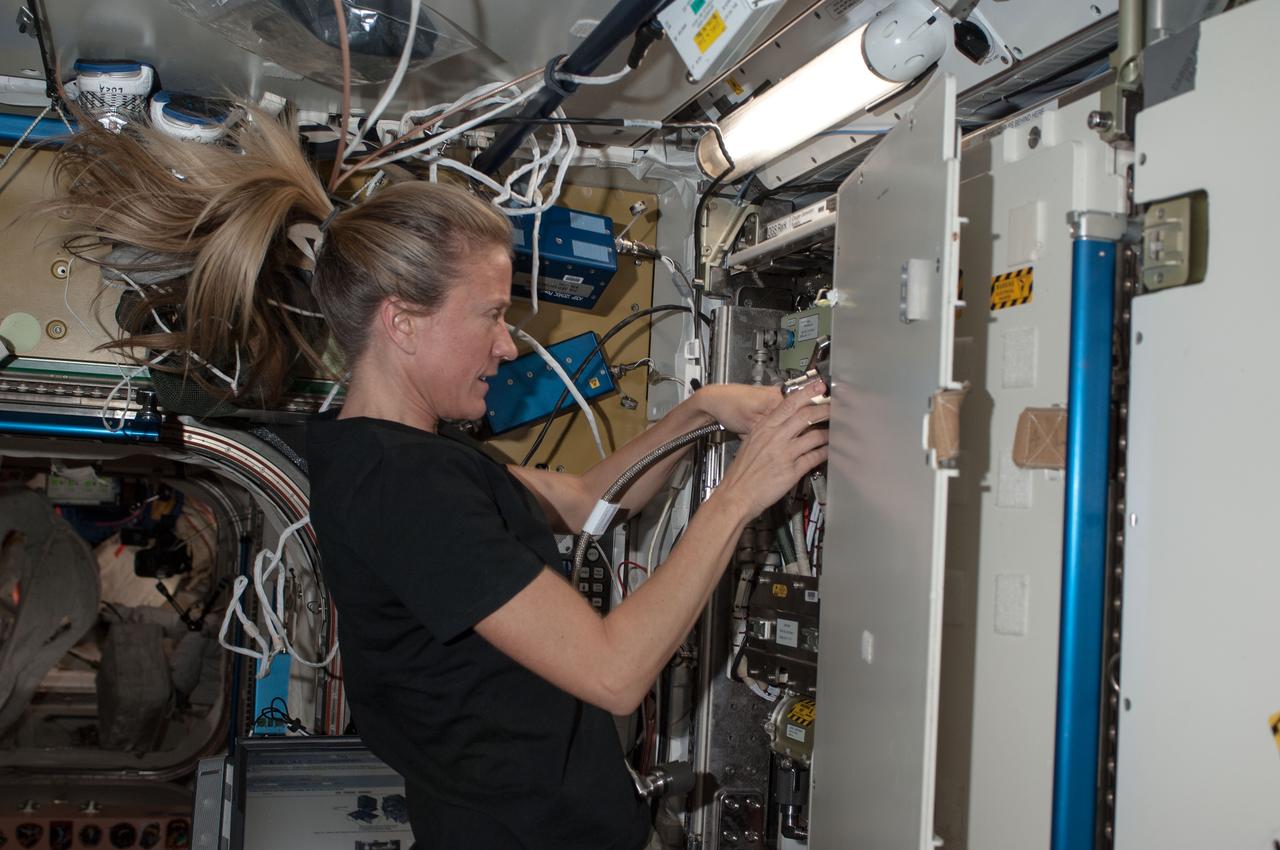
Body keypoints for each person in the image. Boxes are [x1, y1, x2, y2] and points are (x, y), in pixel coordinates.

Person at [51, 107, 829, 850]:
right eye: (489, 314)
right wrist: (738, 495)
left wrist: (700, 413)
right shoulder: (399, 487)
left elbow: (592, 499)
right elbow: (615, 672)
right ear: (402, 322)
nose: (509, 346)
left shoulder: (397, 459)